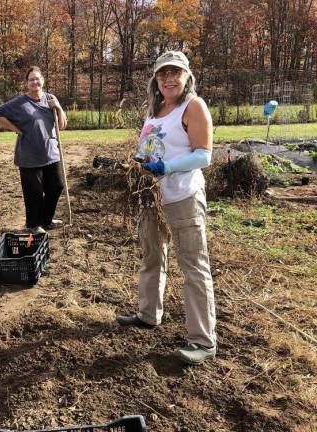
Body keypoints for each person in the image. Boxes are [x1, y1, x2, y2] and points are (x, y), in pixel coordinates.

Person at [116, 51, 217, 365]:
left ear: (187, 76)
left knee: (193, 266)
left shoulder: (193, 106)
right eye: (163, 74)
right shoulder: (156, 109)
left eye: (175, 72)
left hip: (182, 198)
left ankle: (202, 340)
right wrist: (138, 164)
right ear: (156, 80)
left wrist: (167, 167)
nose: (169, 78)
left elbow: (203, 156)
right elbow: (150, 148)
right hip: (151, 198)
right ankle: (148, 314)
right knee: (152, 256)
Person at [0, 66, 68, 234]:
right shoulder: (20, 102)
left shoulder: (51, 99)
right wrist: (15, 129)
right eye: (31, 79)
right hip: (29, 156)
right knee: (34, 192)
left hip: (51, 153)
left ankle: (46, 220)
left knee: (56, 186)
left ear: (43, 80)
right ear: (27, 83)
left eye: (37, 78)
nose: (35, 82)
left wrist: (58, 108)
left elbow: (62, 126)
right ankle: (33, 225)